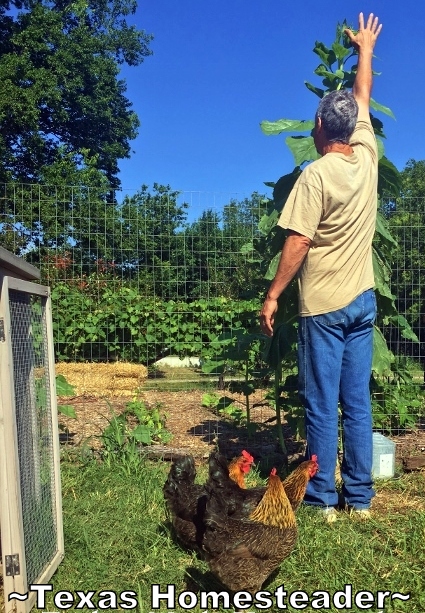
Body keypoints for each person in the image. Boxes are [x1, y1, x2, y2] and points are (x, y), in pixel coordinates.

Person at [259, 13, 383, 521]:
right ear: (350, 127)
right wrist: (365, 50)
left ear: (318, 128)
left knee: (320, 404)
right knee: (356, 404)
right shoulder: (367, 155)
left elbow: (298, 242)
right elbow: (364, 96)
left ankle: (322, 500)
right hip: (363, 300)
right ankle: (360, 498)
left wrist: (272, 296)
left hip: (324, 307)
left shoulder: (315, 175)